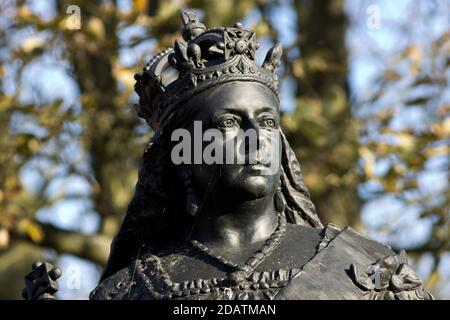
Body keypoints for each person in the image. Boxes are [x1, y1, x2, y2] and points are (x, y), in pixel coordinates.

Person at [89, 11, 432, 300]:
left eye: (268, 122)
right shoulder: (128, 290)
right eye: (229, 123)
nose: (258, 139)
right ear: (180, 152)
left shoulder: (368, 271)